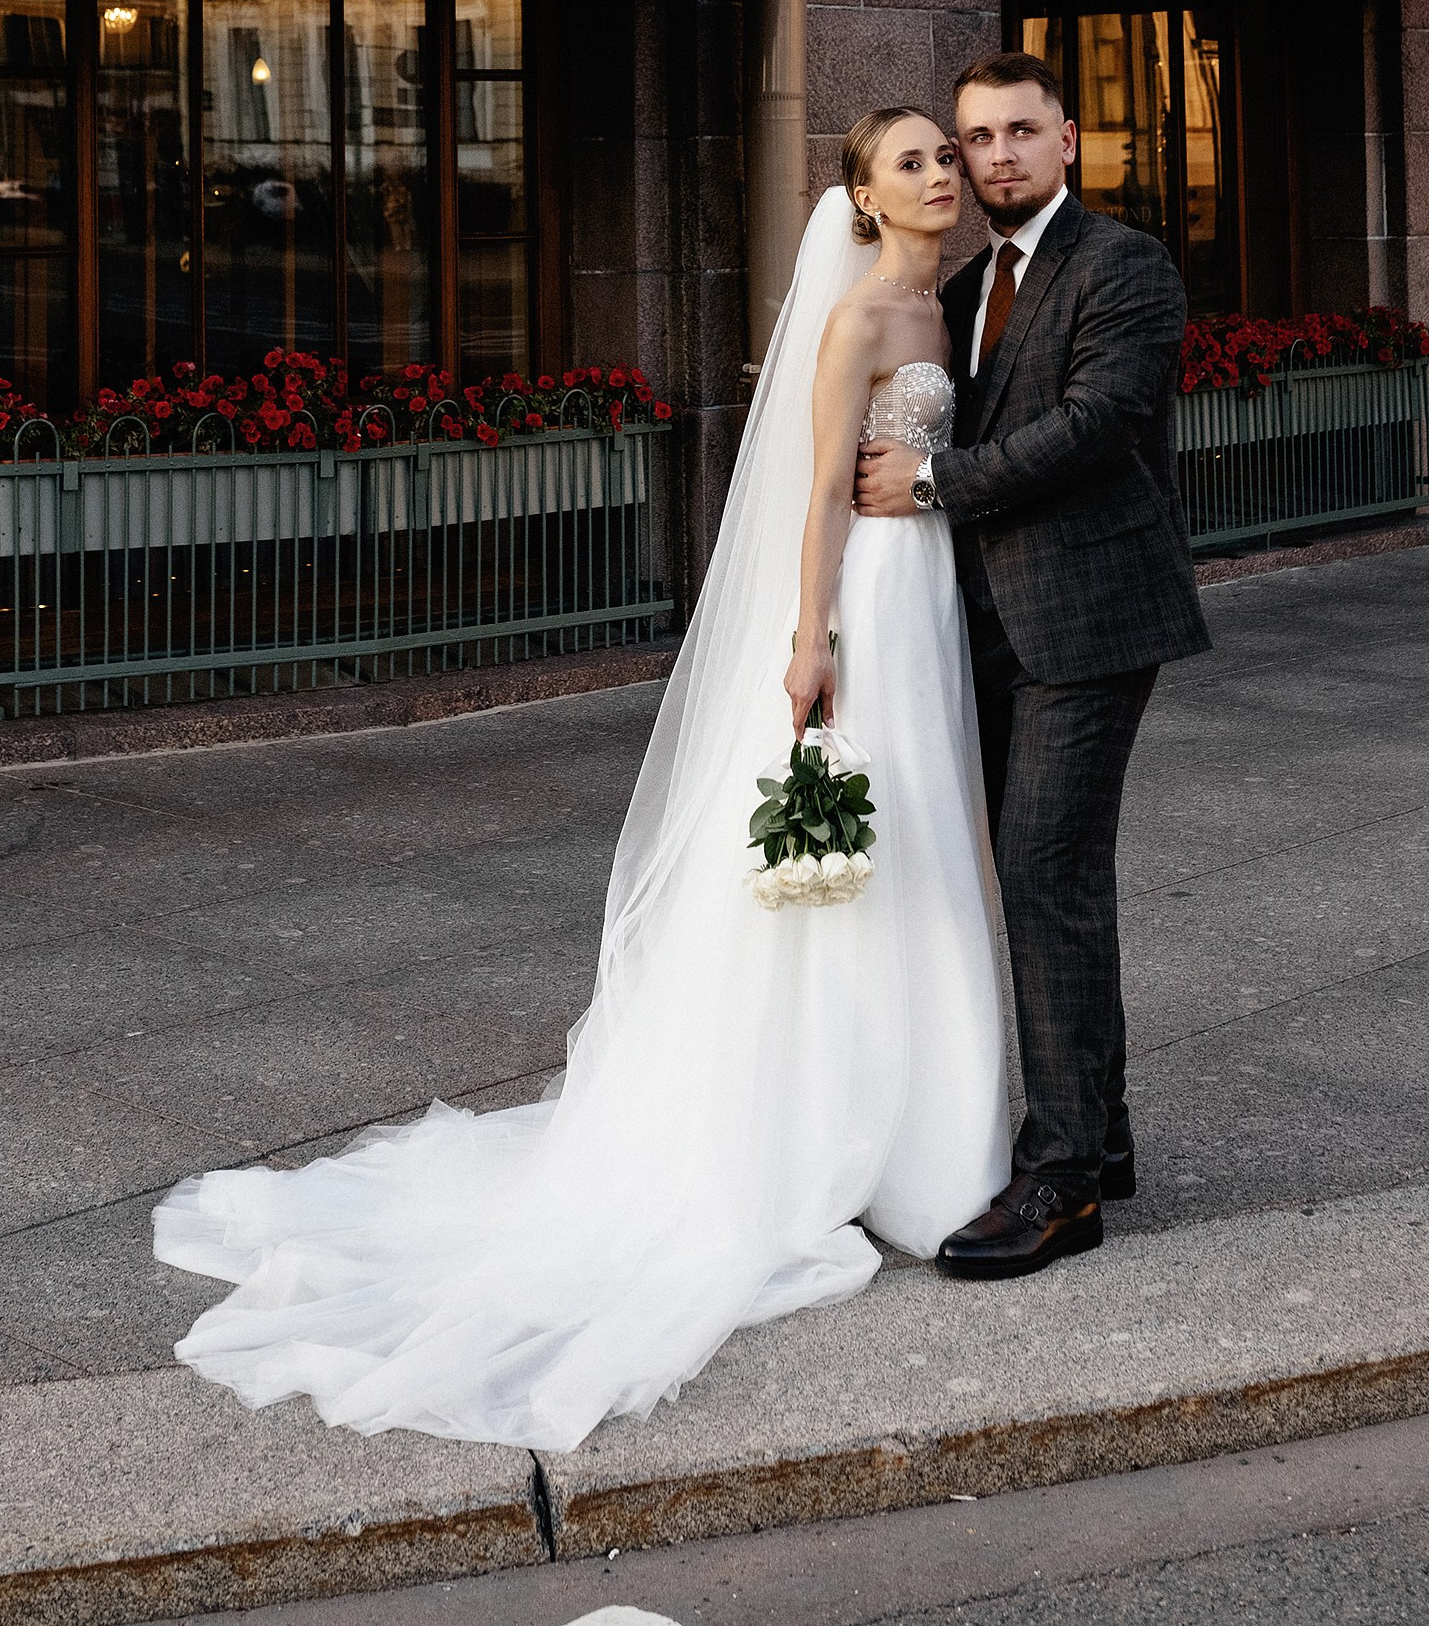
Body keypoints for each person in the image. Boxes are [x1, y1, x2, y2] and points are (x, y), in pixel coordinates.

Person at [151, 110, 1007, 1450]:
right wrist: (808, 640)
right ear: (858, 192)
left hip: (930, 594)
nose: (942, 176)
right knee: (843, 859)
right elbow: (814, 493)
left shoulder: (936, 302)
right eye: (913, 162)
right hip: (866, 607)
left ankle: (920, 1127)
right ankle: (815, 1128)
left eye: (944, 159)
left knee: (921, 850)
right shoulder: (857, 324)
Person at [856, 50, 1208, 1282]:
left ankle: (1059, 1181)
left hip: (1094, 616)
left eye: (1018, 132)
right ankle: (1097, 1132)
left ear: (1069, 140)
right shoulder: (958, 291)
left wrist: (935, 481)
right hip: (981, 624)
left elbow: (1099, 422)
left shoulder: (1125, 265)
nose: (993, 156)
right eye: (973, 139)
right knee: (1047, 877)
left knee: (1043, 867)